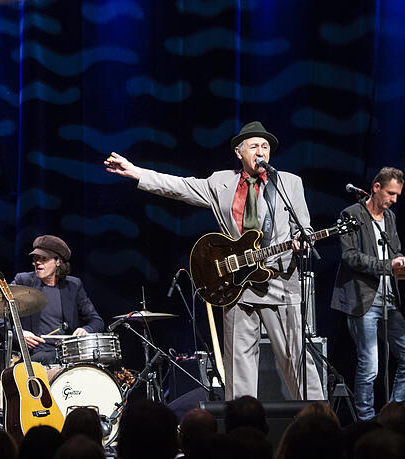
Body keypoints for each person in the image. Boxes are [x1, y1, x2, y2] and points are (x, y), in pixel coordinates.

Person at [104, 121, 324, 400]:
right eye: (255, 146)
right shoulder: (221, 182)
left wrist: (303, 243)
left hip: (279, 281)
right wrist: (137, 173)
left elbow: (302, 228)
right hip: (236, 285)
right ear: (238, 152)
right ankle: (241, 424)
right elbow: (179, 187)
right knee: (239, 364)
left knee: (295, 359)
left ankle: (318, 419)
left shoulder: (289, 182)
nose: (261, 152)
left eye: (266, 147)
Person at [330, 167, 405, 420]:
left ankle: (394, 414)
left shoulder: (390, 218)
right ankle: (367, 421)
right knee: (370, 366)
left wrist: (404, 260)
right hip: (363, 300)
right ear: (376, 187)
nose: (394, 200)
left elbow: (395, 251)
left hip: (389, 300)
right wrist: (388, 265)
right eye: (391, 193)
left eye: (398, 195)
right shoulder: (351, 215)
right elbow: (349, 257)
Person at [0, 235, 104, 365]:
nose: (38, 262)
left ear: (58, 262)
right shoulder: (24, 281)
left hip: (67, 357)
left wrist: (86, 330)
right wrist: (19, 334)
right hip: (34, 357)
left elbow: (97, 321)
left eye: (44, 259)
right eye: (36, 258)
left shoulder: (74, 286)